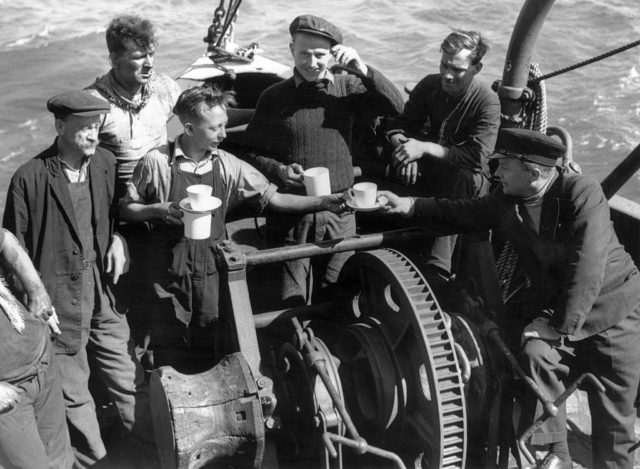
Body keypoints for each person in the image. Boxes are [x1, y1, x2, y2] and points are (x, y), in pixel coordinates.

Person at [379, 128, 640, 469]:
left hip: (612, 310)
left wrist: (557, 326)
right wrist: (410, 205)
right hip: (561, 307)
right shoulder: (508, 200)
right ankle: (553, 453)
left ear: (532, 171)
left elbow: (587, 268)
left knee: (614, 420)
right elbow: (461, 212)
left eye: (503, 164)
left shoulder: (580, 191)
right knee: (534, 355)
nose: (496, 172)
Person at [119, 86, 346, 368]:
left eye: (225, 126)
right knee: (167, 341)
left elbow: (275, 199)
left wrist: (324, 201)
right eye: (215, 128)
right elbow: (126, 208)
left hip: (211, 269)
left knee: (211, 340)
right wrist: (156, 210)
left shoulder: (228, 164)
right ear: (189, 129)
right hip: (167, 269)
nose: (224, 134)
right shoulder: (156, 162)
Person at [3, 90, 153, 467]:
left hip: (102, 291)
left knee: (127, 371)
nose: (93, 135)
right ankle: (95, 460)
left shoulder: (103, 161)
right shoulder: (29, 179)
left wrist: (118, 238)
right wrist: (36, 303)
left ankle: (151, 444)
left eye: (96, 127)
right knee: (74, 392)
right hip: (59, 300)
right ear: (59, 127)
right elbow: (12, 251)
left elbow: (115, 212)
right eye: (84, 128)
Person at [243, 14, 403, 307]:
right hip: (292, 214)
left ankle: (329, 348)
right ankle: (296, 348)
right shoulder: (273, 97)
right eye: (304, 53)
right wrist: (277, 170)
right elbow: (250, 153)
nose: (312, 62)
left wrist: (364, 70)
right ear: (291, 49)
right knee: (288, 298)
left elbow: (396, 105)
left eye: (320, 55)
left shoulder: (349, 88)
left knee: (338, 293)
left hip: (341, 211)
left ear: (333, 55)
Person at [385, 29, 501, 284]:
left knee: (462, 179)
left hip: (465, 178)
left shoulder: (487, 102)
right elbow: (399, 125)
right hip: (429, 167)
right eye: (444, 65)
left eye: (457, 69)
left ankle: (437, 268)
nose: (447, 75)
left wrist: (424, 148)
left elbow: (478, 157)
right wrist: (405, 149)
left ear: (476, 68)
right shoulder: (429, 85)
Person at [86, 14, 181, 199]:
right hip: (119, 202)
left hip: (163, 190)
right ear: (114, 60)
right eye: (139, 57)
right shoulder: (94, 102)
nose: (149, 64)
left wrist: (250, 115)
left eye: (151, 55)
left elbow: (200, 115)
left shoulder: (165, 87)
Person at [0, 228, 74, 469]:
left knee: (61, 460)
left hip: (41, 360)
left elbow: (7, 242)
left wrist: (38, 292)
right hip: (7, 397)